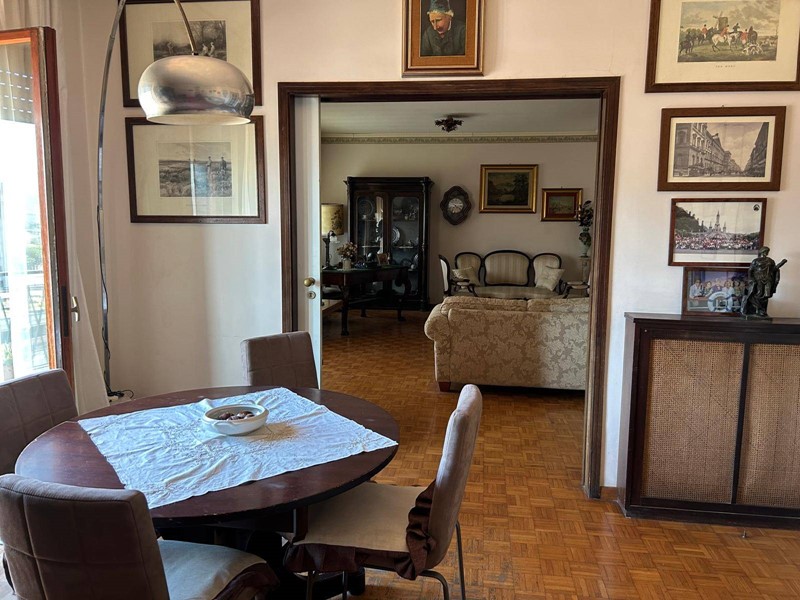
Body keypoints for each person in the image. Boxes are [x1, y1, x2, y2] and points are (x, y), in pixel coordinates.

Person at [741, 246, 786, 318]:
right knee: (758, 294)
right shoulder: (756, 261)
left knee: (766, 295)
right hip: (758, 280)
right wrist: (752, 279)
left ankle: (762, 310)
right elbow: (750, 271)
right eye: (765, 251)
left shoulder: (770, 261)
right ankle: (759, 310)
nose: (766, 253)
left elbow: (774, 270)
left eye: (767, 251)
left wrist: (780, 265)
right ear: (762, 252)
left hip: (768, 280)